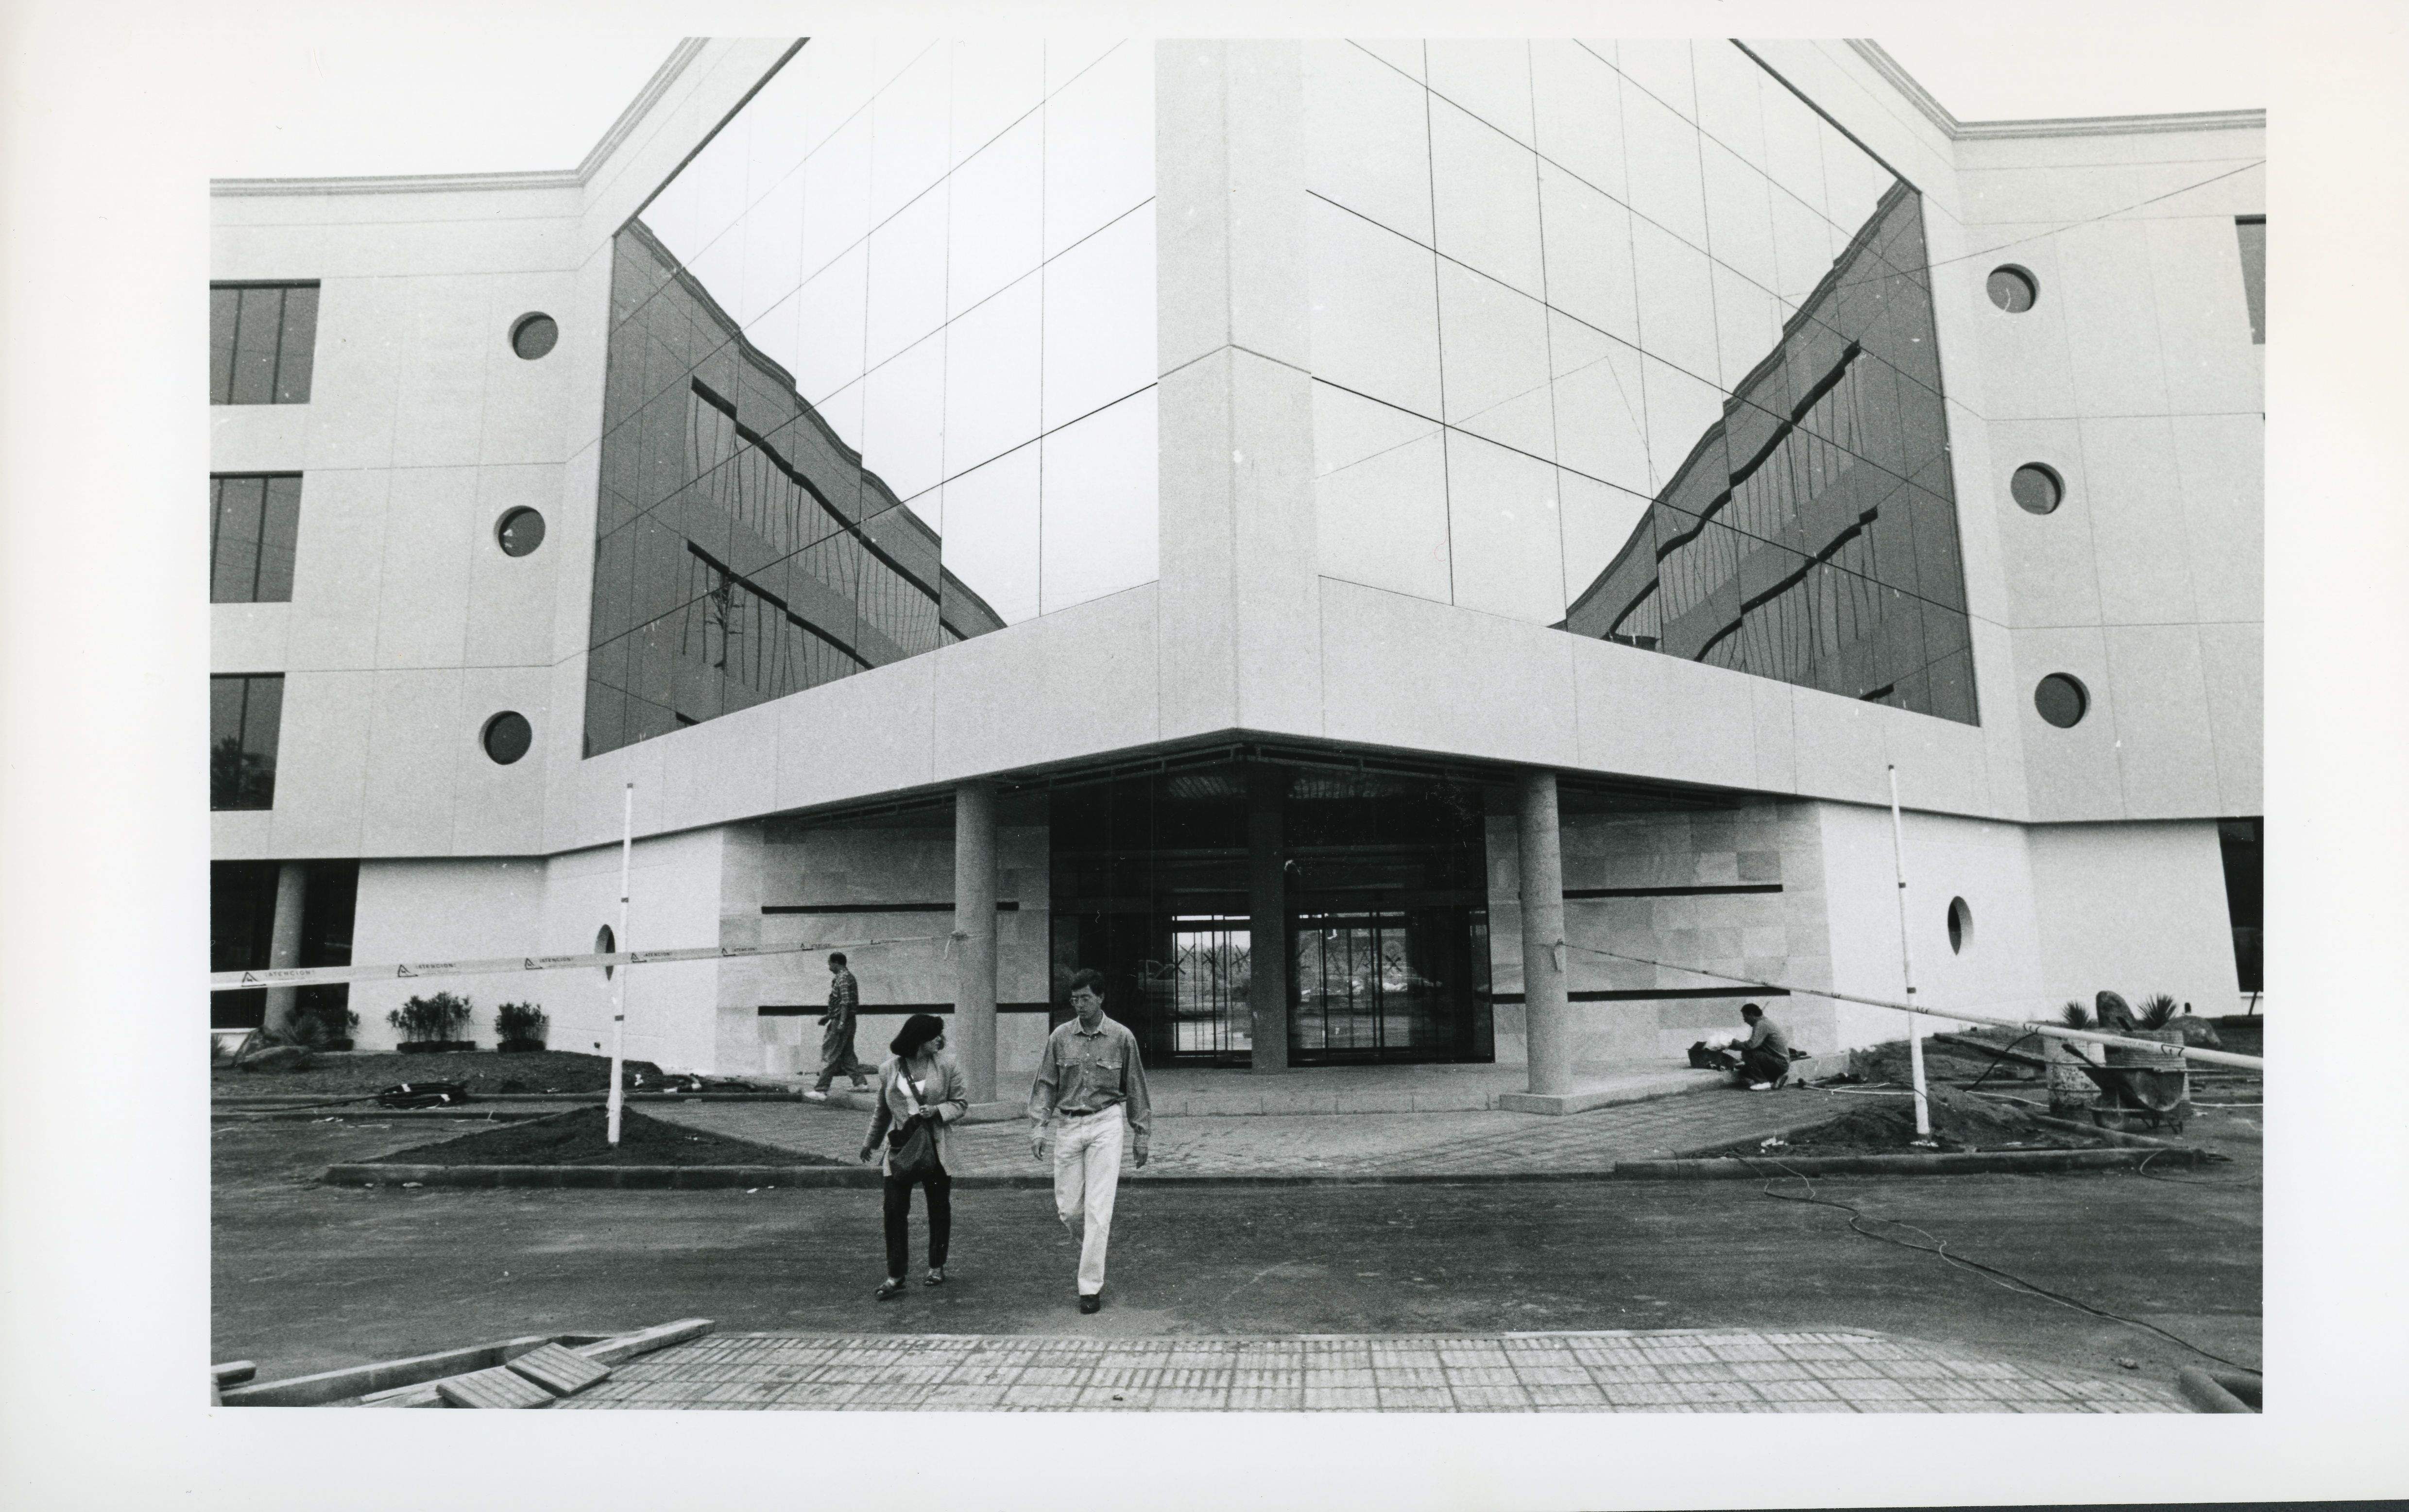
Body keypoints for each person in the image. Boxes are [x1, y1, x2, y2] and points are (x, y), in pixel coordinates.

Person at [1028, 968, 1151, 1313]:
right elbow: (1046, 1085)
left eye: (1085, 998)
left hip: (1105, 1122)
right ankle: (1093, 1246)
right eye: (1074, 999)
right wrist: (1038, 1127)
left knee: (1099, 1209)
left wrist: (1141, 1135)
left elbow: (1137, 1086)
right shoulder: (1059, 1036)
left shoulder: (1121, 1037)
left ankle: (1089, 1287)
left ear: (1100, 998)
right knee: (1069, 1209)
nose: (1079, 1005)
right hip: (1068, 1124)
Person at [859, 1013, 968, 1299]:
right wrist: (870, 1142)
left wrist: (938, 1111)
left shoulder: (947, 1065)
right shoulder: (889, 1070)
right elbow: (882, 1111)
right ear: (920, 1040)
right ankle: (896, 1275)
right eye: (935, 1036)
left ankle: (936, 1266)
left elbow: (961, 1103)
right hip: (901, 1148)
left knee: (938, 1208)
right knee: (894, 1210)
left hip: (934, 1146)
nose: (941, 1040)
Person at [804, 951, 870, 1100]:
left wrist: (840, 1022)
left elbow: (845, 1002)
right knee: (847, 1055)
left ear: (836, 963)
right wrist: (829, 1017)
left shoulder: (843, 978)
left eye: (829, 963)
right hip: (846, 1020)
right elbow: (841, 1003)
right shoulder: (845, 977)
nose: (829, 967)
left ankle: (821, 1090)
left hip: (842, 1021)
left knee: (830, 1054)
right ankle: (860, 1084)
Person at [1734, 1002, 1793, 1090]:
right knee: (1745, 1071)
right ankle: (1775, 1081)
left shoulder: (1761, 1024)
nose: (1745, 1021)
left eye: (1745, 1017)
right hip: (1781, 1062)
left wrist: (1733, 1044)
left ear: (1751, 1015)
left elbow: (1750, 1046)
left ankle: (1763, 1083)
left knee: (1748, 1053)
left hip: (1780, 1064)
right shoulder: (1766, 1022)